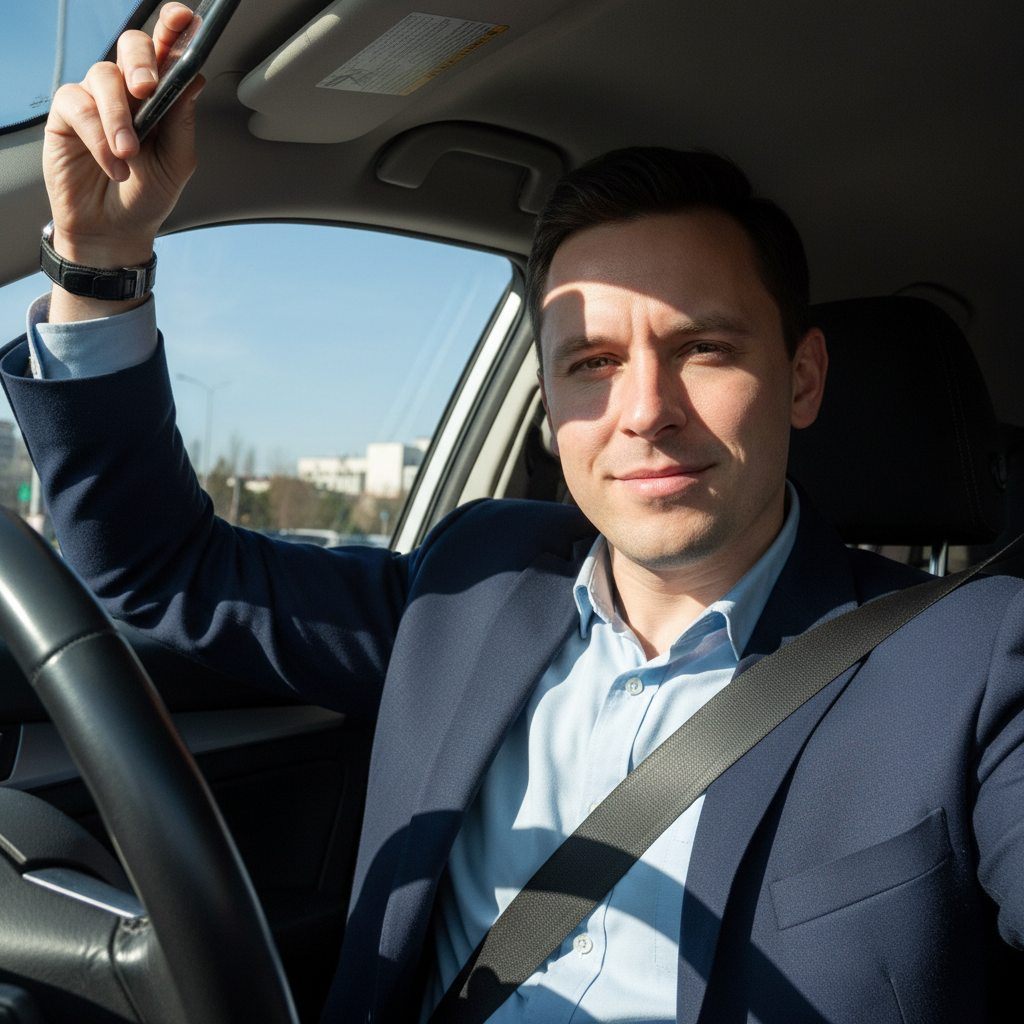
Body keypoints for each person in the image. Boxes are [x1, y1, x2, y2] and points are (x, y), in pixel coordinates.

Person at [3, 6, 1022, 1022]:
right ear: (547, 409)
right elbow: (157, 566)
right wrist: (99, 266)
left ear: (801, 380)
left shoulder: (969, 661)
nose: (645, 411)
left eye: (704, 349)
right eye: (592, 364)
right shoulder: (469, 584)